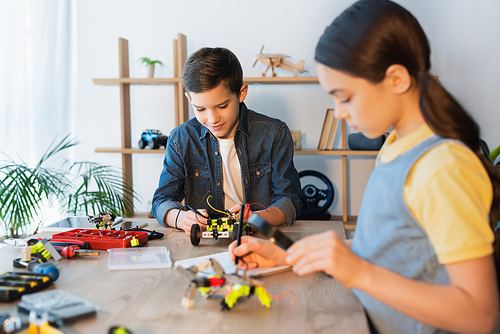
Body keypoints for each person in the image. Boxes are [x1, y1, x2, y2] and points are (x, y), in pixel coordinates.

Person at [229, 1, 500, 333]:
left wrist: (358, 272)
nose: (339, 112)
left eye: (345, 97)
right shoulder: (396, 146)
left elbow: (479, 315)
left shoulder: (441, 168)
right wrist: (287, 255)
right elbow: (391, 251)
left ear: (396, 79)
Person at [152, 47, 302, 235]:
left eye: (222, 106)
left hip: (257, 240)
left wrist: (257, 219)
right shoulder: (180, 140)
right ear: (189, 99)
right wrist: (181, 218)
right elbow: (161, 201)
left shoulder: (275, 134)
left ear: (241, 93)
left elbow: (290, 200)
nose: (212, 118)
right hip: (203, 243)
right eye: (200, 109)